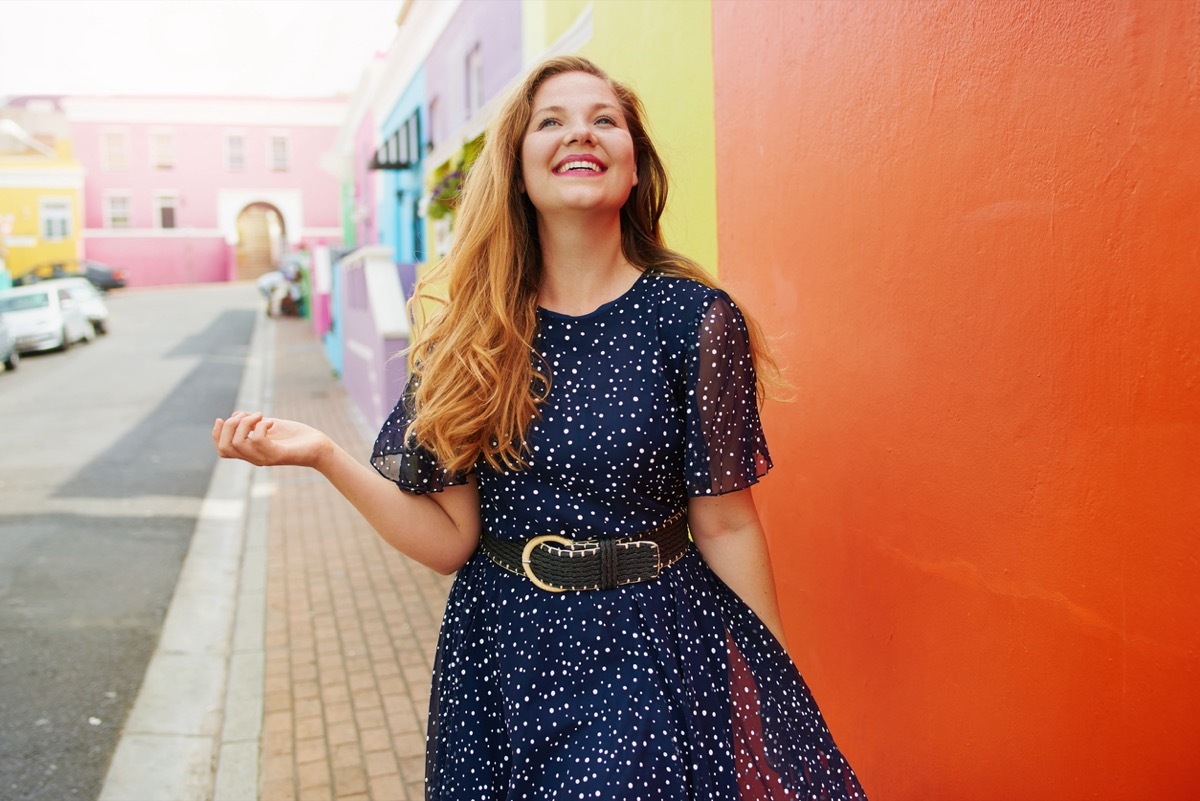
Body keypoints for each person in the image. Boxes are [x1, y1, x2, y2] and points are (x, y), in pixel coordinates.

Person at [214, 55, 866, 800]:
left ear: (633, 166)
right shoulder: (471, 335)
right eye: (550, 121)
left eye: (604, 120)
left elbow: (726, 525)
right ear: (517, 170)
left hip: (649, 644)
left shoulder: (693, 321)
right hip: (499, 653)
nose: (578, 133)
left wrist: (770, 697)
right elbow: (449, 538)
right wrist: (325, 455)